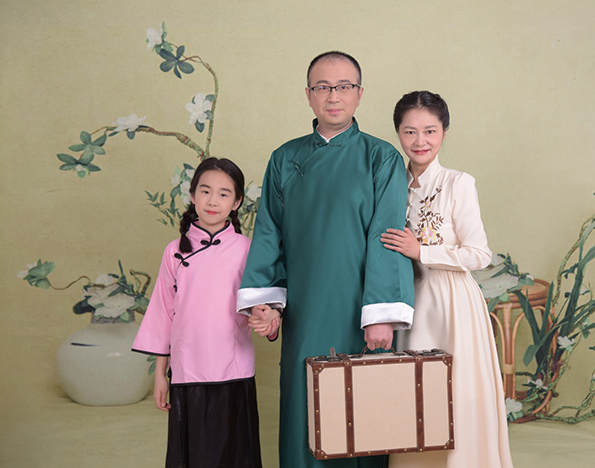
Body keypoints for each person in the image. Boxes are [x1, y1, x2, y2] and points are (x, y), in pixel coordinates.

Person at [239, 51, 414, 468]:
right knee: (305, 406)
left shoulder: (381, 157)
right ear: (308, 95)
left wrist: (380, 314)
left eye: (343, 86)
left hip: (360, 311)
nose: (333, 96)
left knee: (362, 412)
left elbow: (387, 237)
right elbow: (269, 233)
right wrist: (267, 303)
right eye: (323, 87)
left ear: (359, 94)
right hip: (305, 310)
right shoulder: (285, 158)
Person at [381, 91, 513, 468]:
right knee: (415, 396)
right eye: (409, 132)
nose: (419, 141)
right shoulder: (390, 184)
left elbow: (479, 254)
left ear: (443, 132)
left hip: (453, 304)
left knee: (456, 394)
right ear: (398, 133)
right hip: (411, 304)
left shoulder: (458, 183)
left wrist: (422, 251)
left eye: (430, 131)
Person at [132, 157, 264, 468]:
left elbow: (263, 305)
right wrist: (161, 375)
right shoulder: (174, 251)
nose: (213, 201)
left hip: (233, 371)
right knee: (193, 457)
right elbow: (163, 314)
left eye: (223, 194)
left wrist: (267, 319)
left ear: (236, 202)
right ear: (192, 196)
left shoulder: (248, 249)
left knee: (235, 458)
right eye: (205, 191)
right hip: (187, 371)